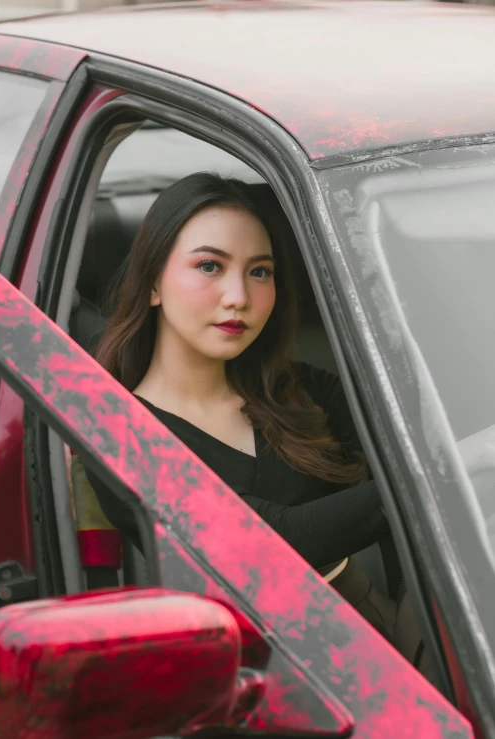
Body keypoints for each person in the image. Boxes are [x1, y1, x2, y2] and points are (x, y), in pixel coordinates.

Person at [84, 172, 396, 640]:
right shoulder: (124, 436)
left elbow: (407, 443)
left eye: (259, 272)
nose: (239, 298)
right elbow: (278, 542)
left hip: (383, 630)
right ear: (152, 283)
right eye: (210, 266)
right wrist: (448, 477)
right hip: (253, 677)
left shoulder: (299, 388)